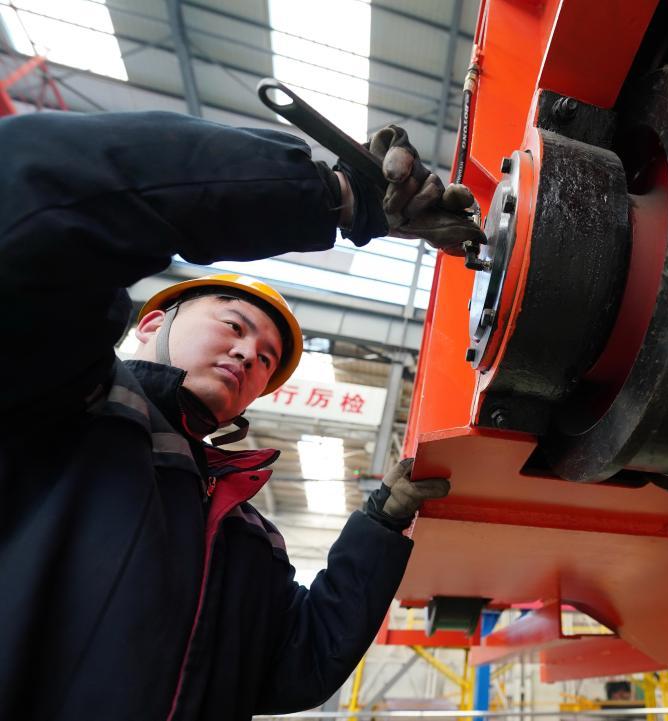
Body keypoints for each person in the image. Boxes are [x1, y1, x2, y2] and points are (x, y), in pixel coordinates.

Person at [0, 109, 481, 720]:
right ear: (151, 322)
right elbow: (35, 188)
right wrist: (333, 197)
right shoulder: (58, 396)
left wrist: (379, 526)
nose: (249, 354)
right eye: (234, 325)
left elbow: (297, 664)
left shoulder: (246, 531)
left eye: (267, 358)